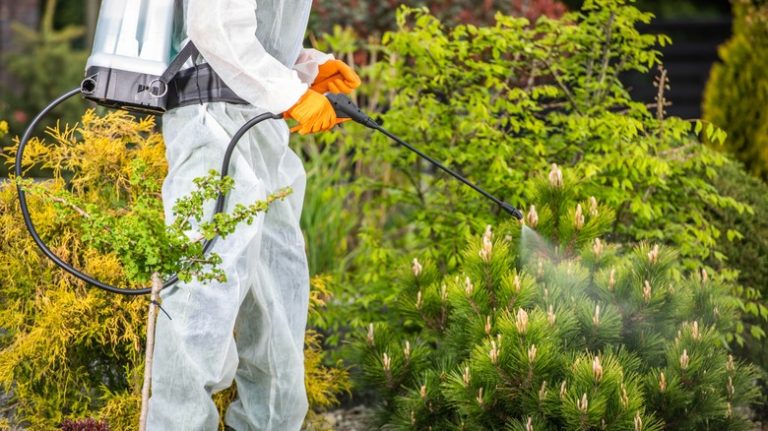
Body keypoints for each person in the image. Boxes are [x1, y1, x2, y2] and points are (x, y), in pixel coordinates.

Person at [146, 0, 360, 429]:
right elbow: (214, 25)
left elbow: (251, 32)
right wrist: (291, 93)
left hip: (258, 125)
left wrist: (303, 70)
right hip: (210, 123)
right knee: (202, 293)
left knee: (278, 289)